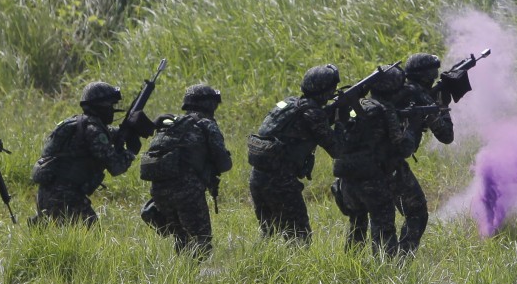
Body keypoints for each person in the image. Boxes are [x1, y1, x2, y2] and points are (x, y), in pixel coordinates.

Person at [247, 64, 343, 242]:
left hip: (258, 177)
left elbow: (302, 127)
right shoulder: (313, 114)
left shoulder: (290, 103)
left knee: (269, 233)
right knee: (300, 237)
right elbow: (337, 150)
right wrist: (340, 122)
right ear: (326, 90)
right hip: (281, 182)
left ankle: (258, 267)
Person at [331, 64, 419, 257]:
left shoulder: (356, 106)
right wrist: (412, 126)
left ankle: (350, 264)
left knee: (357, 224)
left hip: (346, 180)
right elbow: (403, 148)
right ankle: (386, 272)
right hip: (372, 180)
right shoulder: (384, 110)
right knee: (383, 227)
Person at [139, 84, 232, 258]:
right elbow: (224, 164)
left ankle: (183, 275)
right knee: (201, 242)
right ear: (209, 105)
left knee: (181, 239)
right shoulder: (206, 125)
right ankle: (198, 280)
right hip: (187, 192)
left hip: (159, 193)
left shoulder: (172, 124)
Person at [30, 81, 136, 225]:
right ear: (100, 107)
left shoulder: (78, 123)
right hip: (65, 196)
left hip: (46, 194)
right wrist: (131, 151)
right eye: (110, 106)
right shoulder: (93, 130)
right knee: (92, 238)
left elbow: (110, 134)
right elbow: (116, 167)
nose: (112, 110)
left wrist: (127, 130)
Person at [390, 52, 454, 254]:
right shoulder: (420, 96)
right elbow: (446, 136)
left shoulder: (397, 91)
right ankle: (401, 263)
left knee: (378, 215)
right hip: (391, 164)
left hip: (374, 159)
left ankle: (382, 263)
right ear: (427, 75)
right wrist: (442, 106)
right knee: (416, 213)